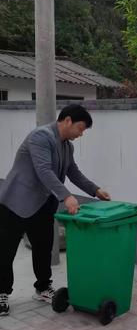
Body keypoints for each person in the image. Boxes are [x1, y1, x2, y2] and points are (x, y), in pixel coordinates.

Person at [0, 104, 110, 316]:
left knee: (44, 248)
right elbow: (44, 170)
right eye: (80, 128)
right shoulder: (40, 137)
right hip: (15, 203)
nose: (81, 134)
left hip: (42, 204)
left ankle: (42, 288)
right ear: (67, 120)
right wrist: (66, 196)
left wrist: (95, 190)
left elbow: (73, 172)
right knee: (5, 252)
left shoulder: (67, 146)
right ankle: (2, 293)